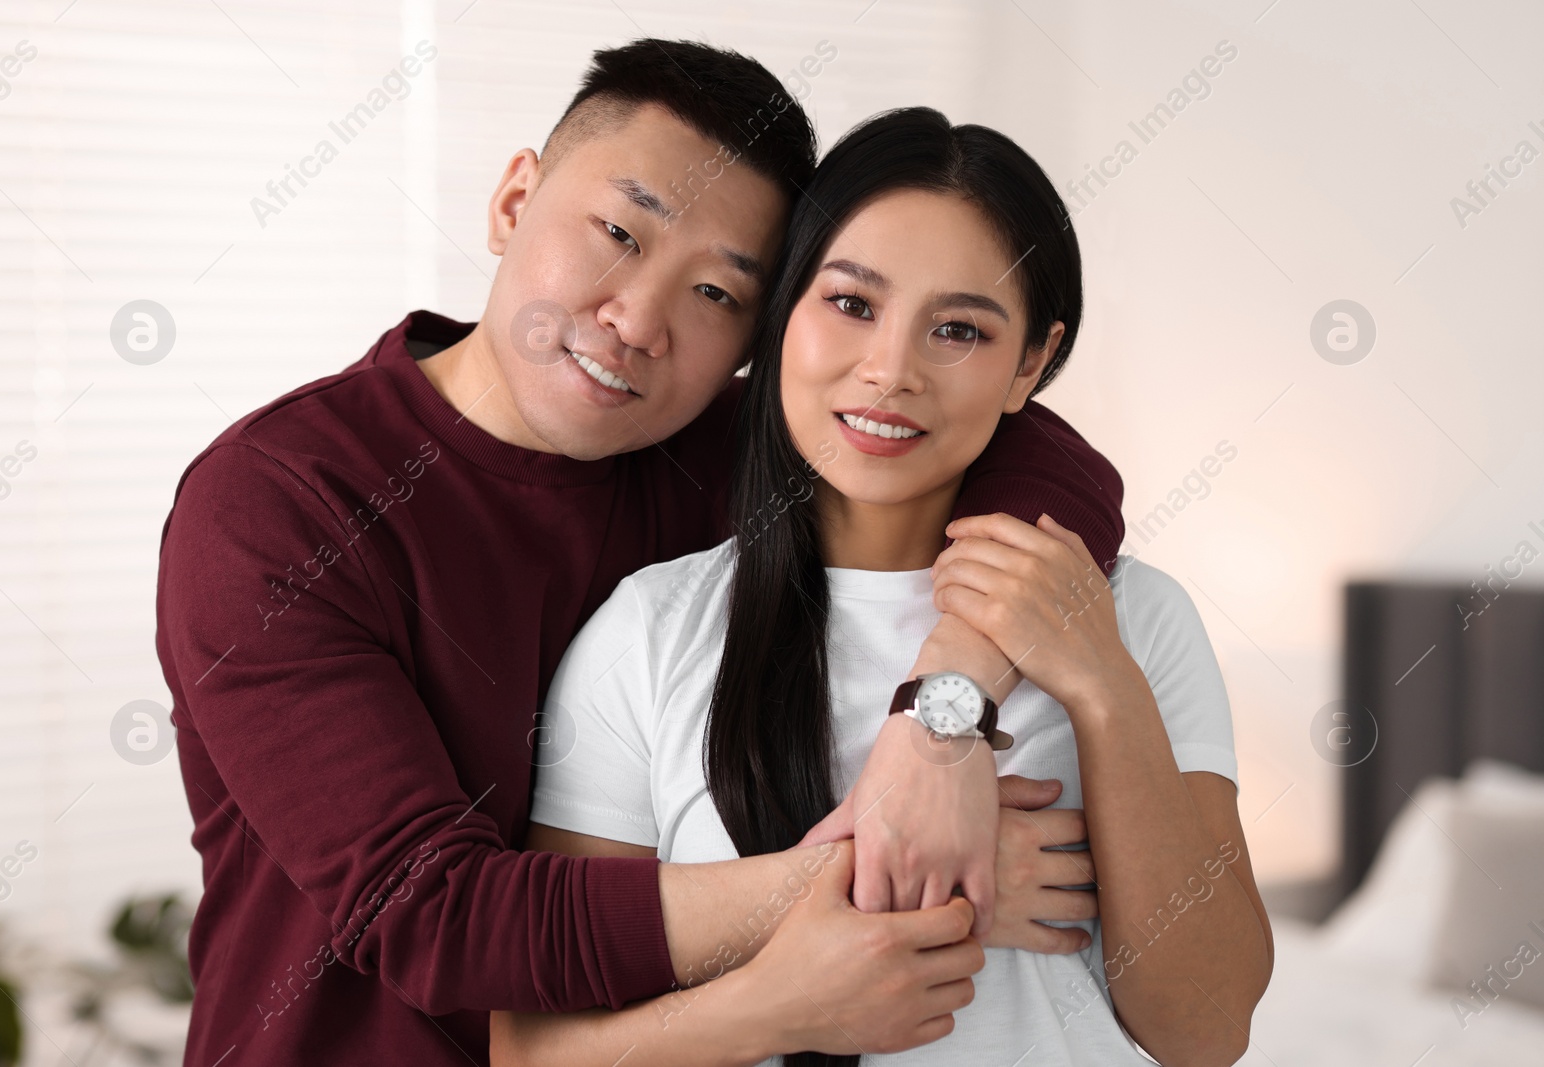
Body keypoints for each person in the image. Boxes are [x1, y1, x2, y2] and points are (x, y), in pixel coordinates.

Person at [154, 41, 1127, 1067]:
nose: (636, 321)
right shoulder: (278, 502)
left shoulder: (728, 451)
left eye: (717, 294)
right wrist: (909, 863)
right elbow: (433, 918)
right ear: (513, 199)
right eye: (619, 232)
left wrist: (941, 721)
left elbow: (1048, 458)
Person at [491, 107, 1274, 1067]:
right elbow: (530, 1048)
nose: (890, 371)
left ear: (1031, 363)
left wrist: (1104, 687)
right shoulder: (650, 630)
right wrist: (803, 977)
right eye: (852, 304)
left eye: (958, 329)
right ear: (782, 313)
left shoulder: (1137, 616)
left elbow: (1208, 1027)